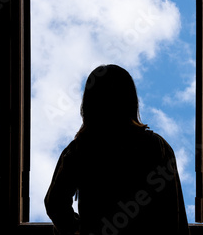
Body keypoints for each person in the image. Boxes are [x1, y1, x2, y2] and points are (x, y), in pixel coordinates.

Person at [45, 64, 190, 235]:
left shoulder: (81, 149)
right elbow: (173, 212)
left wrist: (77, 230)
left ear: (89, 104)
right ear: (131, 101)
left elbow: (54, 202)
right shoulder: (157, 147)